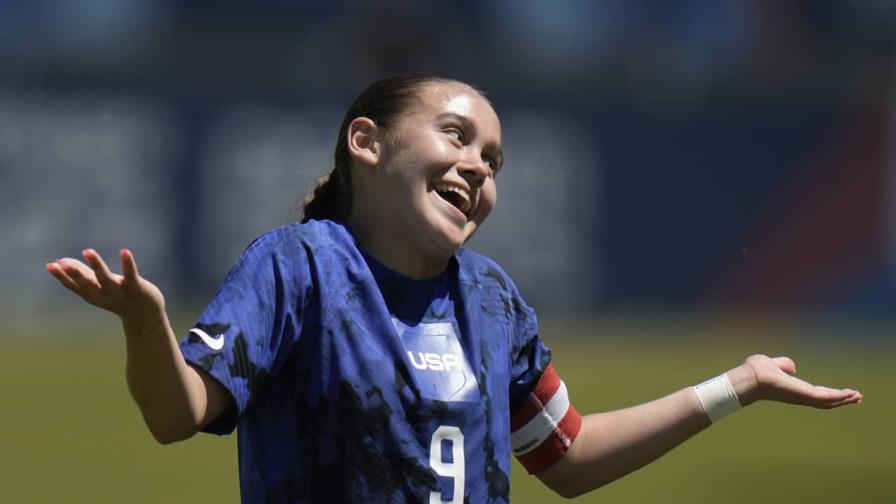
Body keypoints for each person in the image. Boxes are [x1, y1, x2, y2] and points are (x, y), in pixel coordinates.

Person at [46, 75, 863, 503]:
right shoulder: (300, 266)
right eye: (456, 135)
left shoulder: (492, 300)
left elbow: (567, 456)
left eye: (495, 161)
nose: (478, 165)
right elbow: (175, 415)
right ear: (366, 143)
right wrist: (147, 326)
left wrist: (737, 386)